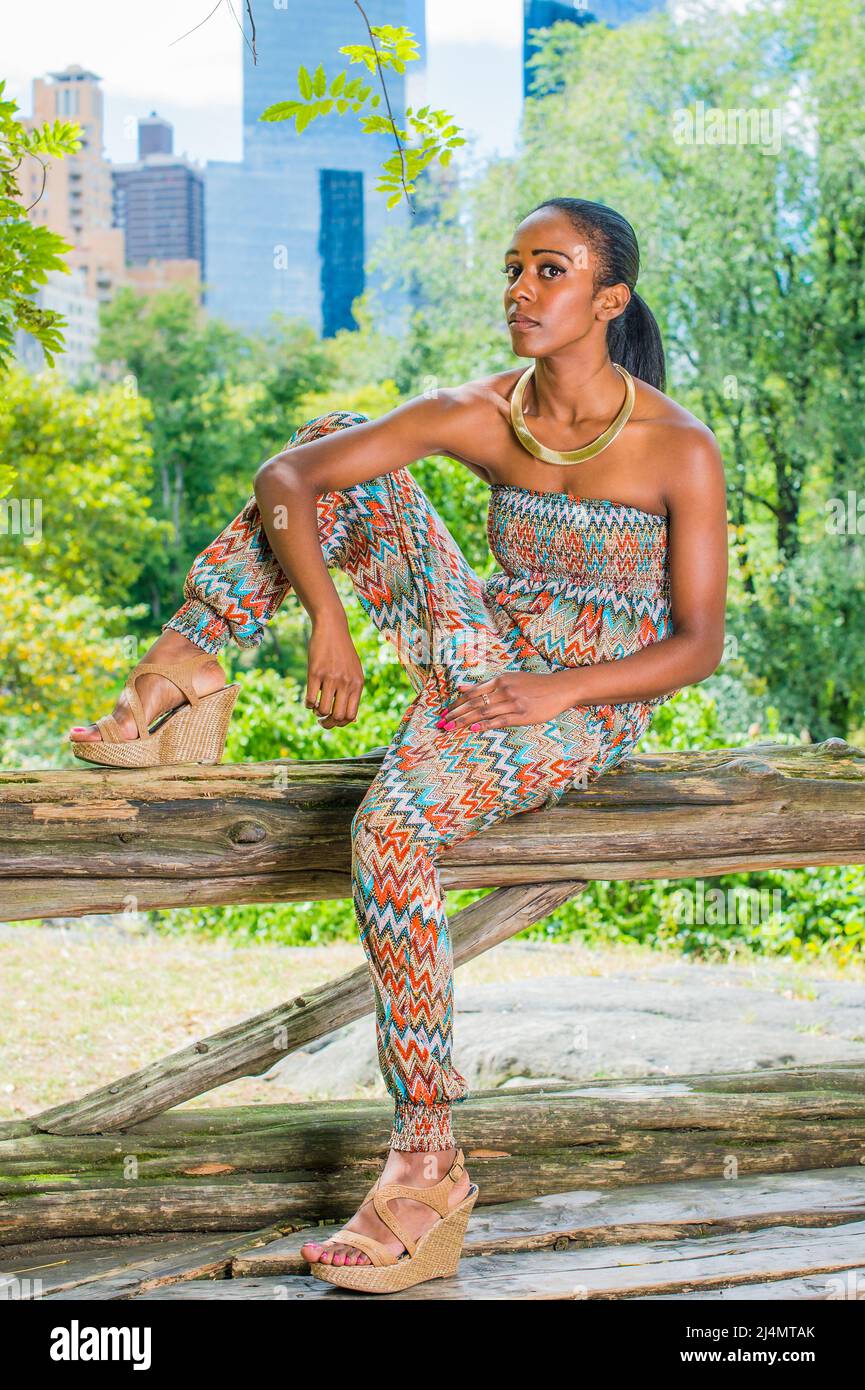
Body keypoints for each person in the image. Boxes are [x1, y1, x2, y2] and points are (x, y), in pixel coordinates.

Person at [67, 197, 728, 1292]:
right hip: (478, 650)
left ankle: (428, 1162)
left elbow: (697, 643)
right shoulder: (479, 411)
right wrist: (329, 617)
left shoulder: (676, 447)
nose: (518, 289)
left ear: (607, 300)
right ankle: (187, 663)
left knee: (389, 834)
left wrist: (553, 689)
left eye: (548, 271)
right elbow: (291, 480)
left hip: (588, 699)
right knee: (332, 443)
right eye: (512, 268)